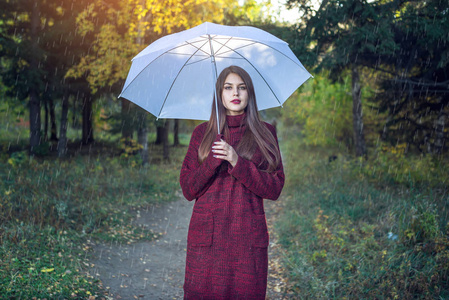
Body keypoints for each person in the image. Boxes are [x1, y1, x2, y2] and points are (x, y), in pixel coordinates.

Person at [180, 65, 285, 299]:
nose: (235, 94)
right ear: (220, 94)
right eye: (228, 88)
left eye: (242, 88)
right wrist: (211, 162)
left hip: (247, 240)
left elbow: (275, 187)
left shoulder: (265, 133)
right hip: (207, 240)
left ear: (250, 94)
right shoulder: (203, 133)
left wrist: (237, 162)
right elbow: (188, 189)